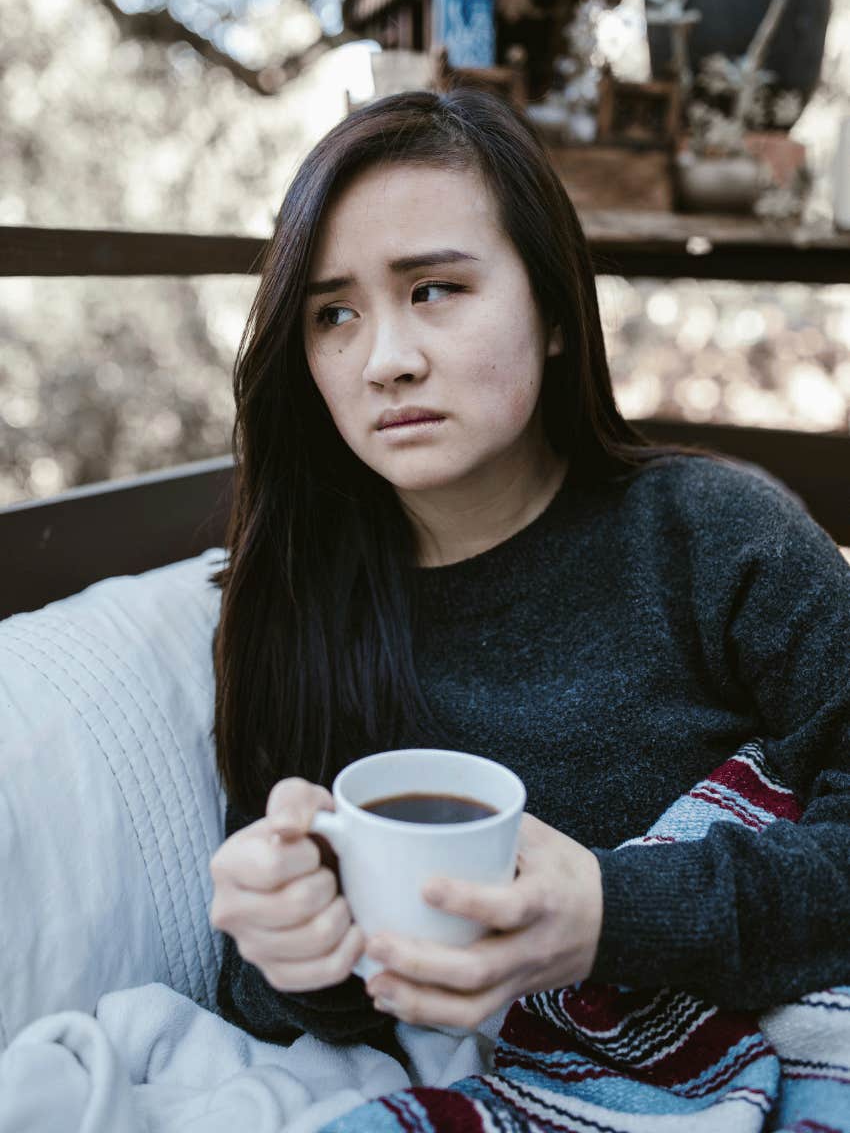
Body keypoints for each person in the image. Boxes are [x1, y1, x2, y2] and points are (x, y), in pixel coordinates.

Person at [208, 87, 850, 1056]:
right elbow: (301, 1002)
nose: (384, 360)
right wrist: (292, 948)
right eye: (332, 313)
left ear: (553, 310)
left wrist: (610, 915)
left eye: (434, 290)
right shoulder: (295, 604)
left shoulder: (720, 540)